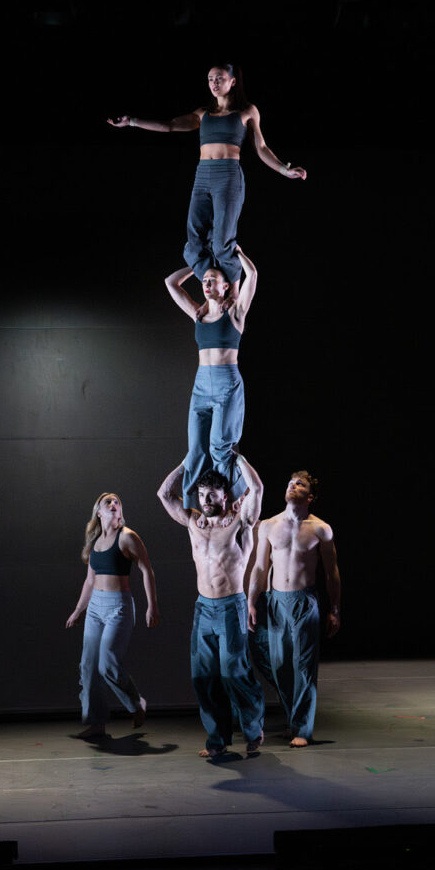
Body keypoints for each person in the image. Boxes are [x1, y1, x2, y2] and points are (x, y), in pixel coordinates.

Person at [107, 62, 306, 286]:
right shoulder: (203, 114)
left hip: (228, 177)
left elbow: (261, 148)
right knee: (194, 242)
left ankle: (233, 290)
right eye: (210, 79)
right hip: (202, 176)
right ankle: (213, 285)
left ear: (233, 82)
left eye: (219, 78)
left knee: (222, 242)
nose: (214, 83)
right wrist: (132, 121)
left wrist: (283, 169)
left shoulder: (247, 111)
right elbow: (170, 125)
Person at [159, 455, 266, 759]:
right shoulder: (194, 522)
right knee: (203, 677)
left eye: (212, 494)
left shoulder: (240, 523)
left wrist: (240, 458)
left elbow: (256, 490)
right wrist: (187, 461)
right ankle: (217, 738)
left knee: (234, 672)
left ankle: (253, 726)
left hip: (231, 606)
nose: (205, 499)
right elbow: (164, 494)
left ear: (226, 496)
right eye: (202, 494)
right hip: (203, 609)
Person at [246, 471, 341, 747]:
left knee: (304, 667)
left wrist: (335, 608)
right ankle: (294, 717)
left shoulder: (320, 529)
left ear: (309, 496)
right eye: (290, 482)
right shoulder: (268, 525)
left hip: (304, 601)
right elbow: (260, 567)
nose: (292, 486)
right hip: (276, 600)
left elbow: (331, 572)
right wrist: (252, 601)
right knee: (279, 666)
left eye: (300, 484)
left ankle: (302, 729)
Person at [165, 248, 257, 500]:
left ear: (226, 286)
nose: (205, 284)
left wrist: (237, 254)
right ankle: (195, 506)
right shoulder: (198, 314)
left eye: (211, 280)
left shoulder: (235, 314)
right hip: (201, 384)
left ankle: (230, 500)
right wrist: (197, 268)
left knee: (219, 446)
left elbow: (253, 274)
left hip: (227, 381)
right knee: (196, 449)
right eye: (204, 281)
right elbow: (171, 283)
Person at [65, 493, 159, 739]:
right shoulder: (95, 542)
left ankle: (136, 703)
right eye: (108, 502)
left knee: (107, 662)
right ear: (99, 512)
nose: (113, 504)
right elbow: (89, 581)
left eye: (117, 502)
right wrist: (78, 610)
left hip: (119, 606)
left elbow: (146, 569)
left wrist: (152, 606)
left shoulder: (127, 537)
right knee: (88, 666)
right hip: (95, 606)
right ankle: (96, 724)